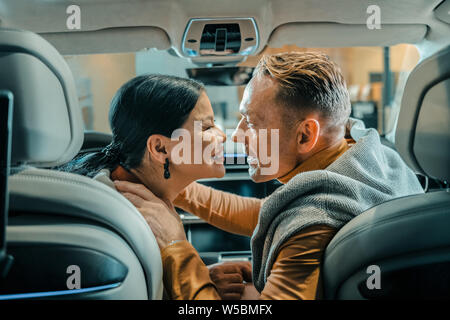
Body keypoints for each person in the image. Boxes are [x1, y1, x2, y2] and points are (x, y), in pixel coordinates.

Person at [113, 52, 424, 300]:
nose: (238, 136)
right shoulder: (370, 158)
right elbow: (271, 214)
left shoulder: (316, 220)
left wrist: (176, 247)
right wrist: (170, 186)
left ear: (305, 136)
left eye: (253, 123)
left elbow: (301, 225)